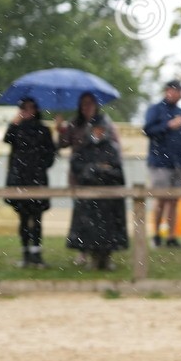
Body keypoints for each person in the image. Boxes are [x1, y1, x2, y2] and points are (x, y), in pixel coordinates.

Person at [58, 92, 121, 265]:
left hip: (102, 180)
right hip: (80, 175)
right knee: (81, 215)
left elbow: (115, 145)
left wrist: (102, 165)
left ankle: (101, 252)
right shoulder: (74, 123)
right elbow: (63, 143)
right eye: (84, 103)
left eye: (90, 103)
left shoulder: (105, 122)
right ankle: (82, 250)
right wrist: (60, 130)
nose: (87, 107)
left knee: (102, 216)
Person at [4, 98, 57, 268]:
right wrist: (15, 122)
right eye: (24, 108)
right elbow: (7, 139)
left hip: (37, 178)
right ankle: (26, 253)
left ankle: (36, 253)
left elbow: (50, 155)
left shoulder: (43, 130)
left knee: (37, 217)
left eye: (30, 108)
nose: (27, 111)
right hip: (19, 179)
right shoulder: (16, 128)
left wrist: (39, 165)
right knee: (23, 216)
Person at [69, 123, 128, 271]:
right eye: (96, 129)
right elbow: (78, 168)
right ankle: (93, 259)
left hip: (108, 200)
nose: (99, 132)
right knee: (90, 230)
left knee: (108, 230)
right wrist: (97, 168)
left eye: (102, 129)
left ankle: (106, 259)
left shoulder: (111, 148)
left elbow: (118, 173)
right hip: (89, 199)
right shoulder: (84, 148)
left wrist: (99, 170)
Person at [143, 80, 181, 247]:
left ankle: (171, 236)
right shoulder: (155, 110)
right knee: (161, 199)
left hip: (178, 164)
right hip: (160, 163)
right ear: (168, 91)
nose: (179, 94)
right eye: (177, 90)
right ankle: (156, 235)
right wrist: (168, 125)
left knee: (174, 201)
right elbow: (148, 130)